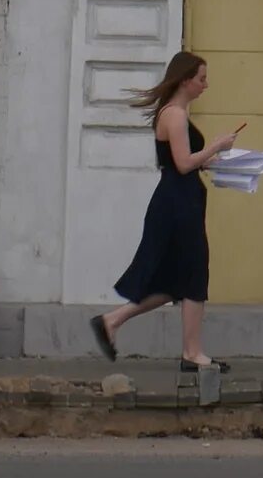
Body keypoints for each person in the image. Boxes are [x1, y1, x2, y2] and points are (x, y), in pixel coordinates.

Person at [90, 51, 244, 374]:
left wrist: (223, 163)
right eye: (202, 78)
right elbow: (184, 163)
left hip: (180, 200)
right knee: (194, 273)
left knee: (173, 281)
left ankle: (111, 321)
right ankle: (192, 353)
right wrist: (215, 146)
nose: (206, 84)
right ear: (186, 79)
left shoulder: (176, 114)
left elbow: (186, 161)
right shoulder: (174, 115)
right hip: (177, 204)